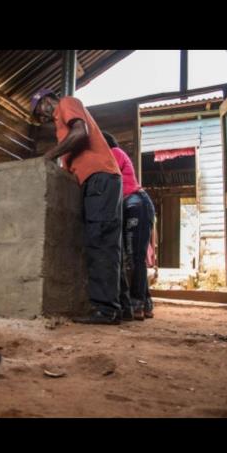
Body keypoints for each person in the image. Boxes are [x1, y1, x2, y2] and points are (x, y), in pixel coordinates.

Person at [31, 88, 124, 325]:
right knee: (108, 243)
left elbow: (81, 132)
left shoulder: (67, 103)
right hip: (101, 179)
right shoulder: (61, 128)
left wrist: (49, 156)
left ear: (48, 100)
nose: (42, 116)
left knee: (99, 242)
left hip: (99, 177)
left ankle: (106, 310)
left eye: (40, 110)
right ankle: (119, 307)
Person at [102, 131, 156, 319]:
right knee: (134, 257)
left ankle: (137, 303)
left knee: (134, 257)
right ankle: (145, 304)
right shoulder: (114, 154)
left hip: (136, 203)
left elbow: (108, 178)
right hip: (133, 205)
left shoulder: (114, 152)